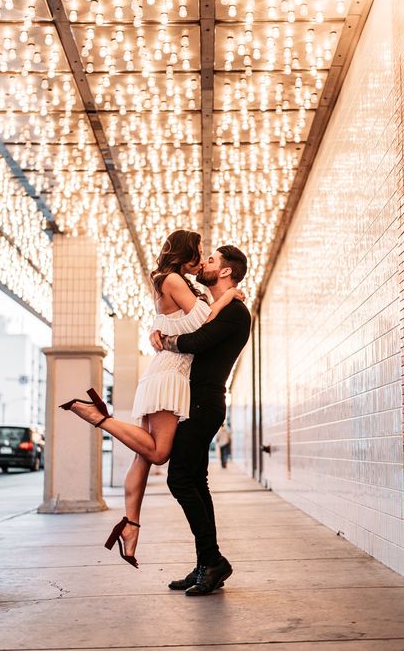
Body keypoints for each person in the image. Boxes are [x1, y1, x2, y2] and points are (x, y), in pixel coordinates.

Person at [60, 230, 244, 568]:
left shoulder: (175, 283)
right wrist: (227, 297)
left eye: (209, 256)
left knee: (143, 458)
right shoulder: (174, 279)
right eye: (199, 251)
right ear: (185, 252)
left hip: (166, 374)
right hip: (170, 374)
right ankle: (101, 416)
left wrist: (163, 331)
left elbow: (187, 326)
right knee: (159, 454)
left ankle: (130, 526)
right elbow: (203, 326)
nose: (202, 259)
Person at [150, 244, 251, 595]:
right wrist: (161, 334)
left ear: (225, 271)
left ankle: (213, 561)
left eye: (211, 261)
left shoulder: (236, 311)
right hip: (194, 402)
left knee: (179, 479)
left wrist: (166, 341)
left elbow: (197, 341)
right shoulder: (216, 307)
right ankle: (206, 563)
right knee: (195, 479)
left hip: (205, 403)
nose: (204, 263)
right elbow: (192, 328)